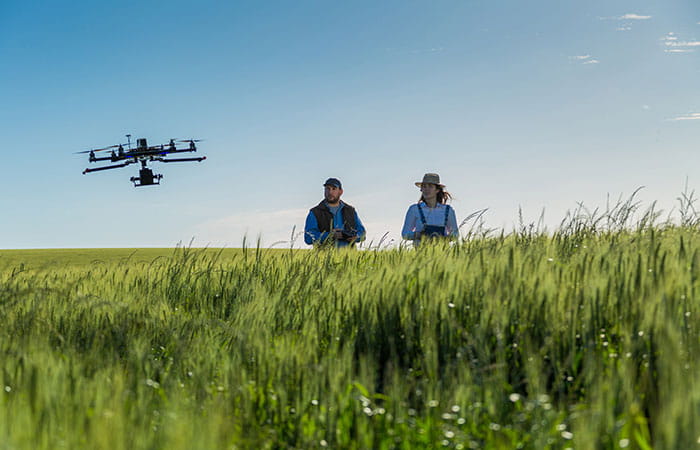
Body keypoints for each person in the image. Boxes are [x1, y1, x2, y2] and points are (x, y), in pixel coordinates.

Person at [304, 177, 366, 248]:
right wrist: (330, 235)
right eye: (327, 189)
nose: (330, 192)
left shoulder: (350, 211)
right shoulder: (315, 212)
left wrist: (354, 236)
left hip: (349, 257)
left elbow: (362, 233)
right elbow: (308, 238)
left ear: (341, 191)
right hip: (325, 257)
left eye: (334, 189)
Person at [401, 173, 458, 245]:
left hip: (442, 252)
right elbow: (405, 234)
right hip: (420, 253)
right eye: (424, 186)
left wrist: (441, 238)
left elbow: (455, 234)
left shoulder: (448, 210)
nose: (426, 189)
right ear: (421, 189)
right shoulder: (414, 209)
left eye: (430, 186)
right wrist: (419, 235)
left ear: (437, 190)